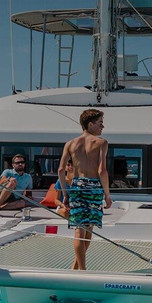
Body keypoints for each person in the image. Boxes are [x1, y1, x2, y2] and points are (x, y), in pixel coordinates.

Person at [58, 109, 111, 269]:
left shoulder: (70, 144)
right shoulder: (101, 143)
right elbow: (102, 171)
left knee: (84, 229)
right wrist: (107, 195)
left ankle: (76, 268)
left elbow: (61, 170)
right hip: (94, 187)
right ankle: (83, 272)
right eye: (100, 123)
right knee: (84, 231)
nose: (103, 126)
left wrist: (65, 193)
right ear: (90, 124)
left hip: (77, 187)